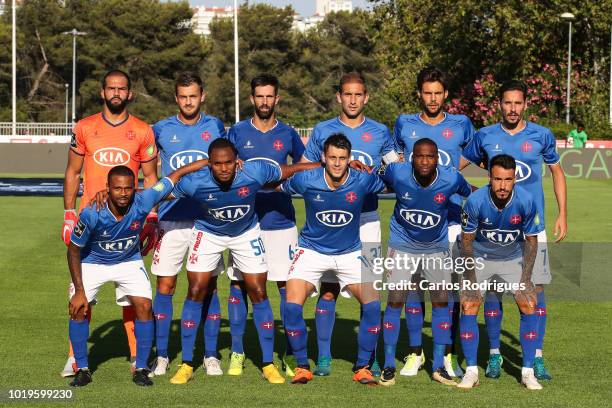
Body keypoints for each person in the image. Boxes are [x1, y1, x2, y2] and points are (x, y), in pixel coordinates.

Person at [167, 138, 321, 385]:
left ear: (237, 162)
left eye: (228, 162)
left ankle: (268, 364)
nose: (224, 168)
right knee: (196, 290)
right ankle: (186, 363)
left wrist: (322, 164)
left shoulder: (255, 171)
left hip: (245, 233)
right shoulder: (195, 181)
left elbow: (287, 170)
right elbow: (159, 193)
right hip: (208, 233)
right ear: (209, 165)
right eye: (217, 164)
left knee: (259, 292)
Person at [67, 160, 207, 387]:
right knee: (79, 307)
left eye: (128, 188)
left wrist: (209, 162)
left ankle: (141, 367)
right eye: (117, 188)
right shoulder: (92, 213)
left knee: (144, 306)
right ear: (107, 188)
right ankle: (81, 368)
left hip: (128, 261)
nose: (123, 194)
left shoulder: (144, 200)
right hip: (92, 262)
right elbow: (73, 249)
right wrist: (79, 291)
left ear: (136, 187)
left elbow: (176, 175)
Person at [462, 80, 567, 380]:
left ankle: (536, 357)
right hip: (495, 229)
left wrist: (562, 214)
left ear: (525, 104)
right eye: (507, 103)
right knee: (494, 290)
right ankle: (494, 354)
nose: (512, 108)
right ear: (499, 104)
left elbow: (557, 173)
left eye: (517, 103)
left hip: (533, 228)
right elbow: (457, 164)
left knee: (536, 291)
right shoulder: (485, 136)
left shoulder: (541, 135)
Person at [61, 69, 159, 377]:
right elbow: (72, 173)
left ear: (130, 94)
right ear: (102, 92)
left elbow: (151, 178)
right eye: (111, 88)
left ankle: (137, 356)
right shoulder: (85, 127)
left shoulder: (143, 130)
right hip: (91, 224)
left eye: (122, 89)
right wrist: (69, 212)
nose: (116, 93)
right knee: (79, 297)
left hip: (127, 224)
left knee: (133, 296)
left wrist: (151, 219)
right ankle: (76, 358)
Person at [302, 72, 399, 376]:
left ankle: (364, 361)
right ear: (339, 97)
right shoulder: (322, 130)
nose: (353, 100)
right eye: (347, 94)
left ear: (366, 97)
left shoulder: (381, 132)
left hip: (366, 220)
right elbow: (307, 167)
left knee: (367, 292)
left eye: (358, 95)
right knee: (328, 290)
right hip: (328, 222)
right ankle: (325, 357)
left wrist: (371, 174)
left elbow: (395, 171)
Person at [282, 133, 386, 385]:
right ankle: (302, 366)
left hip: (350, 252)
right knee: (291, 306)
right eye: (332, 158)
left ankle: (362, 366)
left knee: (373, 306)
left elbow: (391, 181)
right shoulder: (307, 179)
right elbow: (276, 183)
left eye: (342, 158)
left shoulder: (362, 180)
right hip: (311, 251)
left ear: (350, 159)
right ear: (323, 158)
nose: (337, 163)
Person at [393, 66, 475, 378]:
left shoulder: (461, 124)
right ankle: (415, 353)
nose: (432, 98)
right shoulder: (404, 123)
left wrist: (451, 176)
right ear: (419, 94)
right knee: (414, 286)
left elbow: (473, 153)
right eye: (427, 92)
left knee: (449, 291)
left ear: (446, 95)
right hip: (414, 222)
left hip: (452, 218)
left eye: (438, 92)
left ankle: (447, 353)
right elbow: (397, 160)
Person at [376, 138, 473, 386]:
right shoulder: (398, 172)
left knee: (441, 302)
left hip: (436, 248)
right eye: (420, 156)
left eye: (430, 156)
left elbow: (470, 193)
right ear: (412, 158)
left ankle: (438, 365)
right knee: (396, 301)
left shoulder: (450, 178)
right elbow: (379, 176)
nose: (425, 161)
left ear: (437, 159)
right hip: (402, 245)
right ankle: (388, 365)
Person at [227, 74, 305, 377]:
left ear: (277, 99)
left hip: (281, 222)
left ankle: (286, 351)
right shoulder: (236, 132)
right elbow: (223, 171)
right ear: (251, 99)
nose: (264, 102)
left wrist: (285, 186)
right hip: (243, 224)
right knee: (239, 285)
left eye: (269, 96)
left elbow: (303, 169)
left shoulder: (287, 133)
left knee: (287, 287)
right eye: (259, 96)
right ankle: (237, 351)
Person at [149, 72, 227, 377]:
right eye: (183, 97)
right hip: (170, 218)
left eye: (193, 96)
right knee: (166, 285)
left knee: (207, 286)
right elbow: (150, 172)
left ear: (202, 96)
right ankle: (163, 355)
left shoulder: (215, 126)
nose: (188, 101)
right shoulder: (161, 129)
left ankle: (210, 354)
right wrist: (153, 210)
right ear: (175, 98)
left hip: (207, 220)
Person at [457, 154, 543, 390]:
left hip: (512, 256)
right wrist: (472, 281)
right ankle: (472, 371)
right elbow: (466, 242)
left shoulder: (526, 200)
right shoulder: (475, 201)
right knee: (469, 305)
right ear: (489, 178)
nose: (502, 185)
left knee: (528, 303)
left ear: (515, 178)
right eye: (497, 179)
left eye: (507, 179)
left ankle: (527, 372)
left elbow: (532, 242)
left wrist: (525, 280)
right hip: (480, 256)